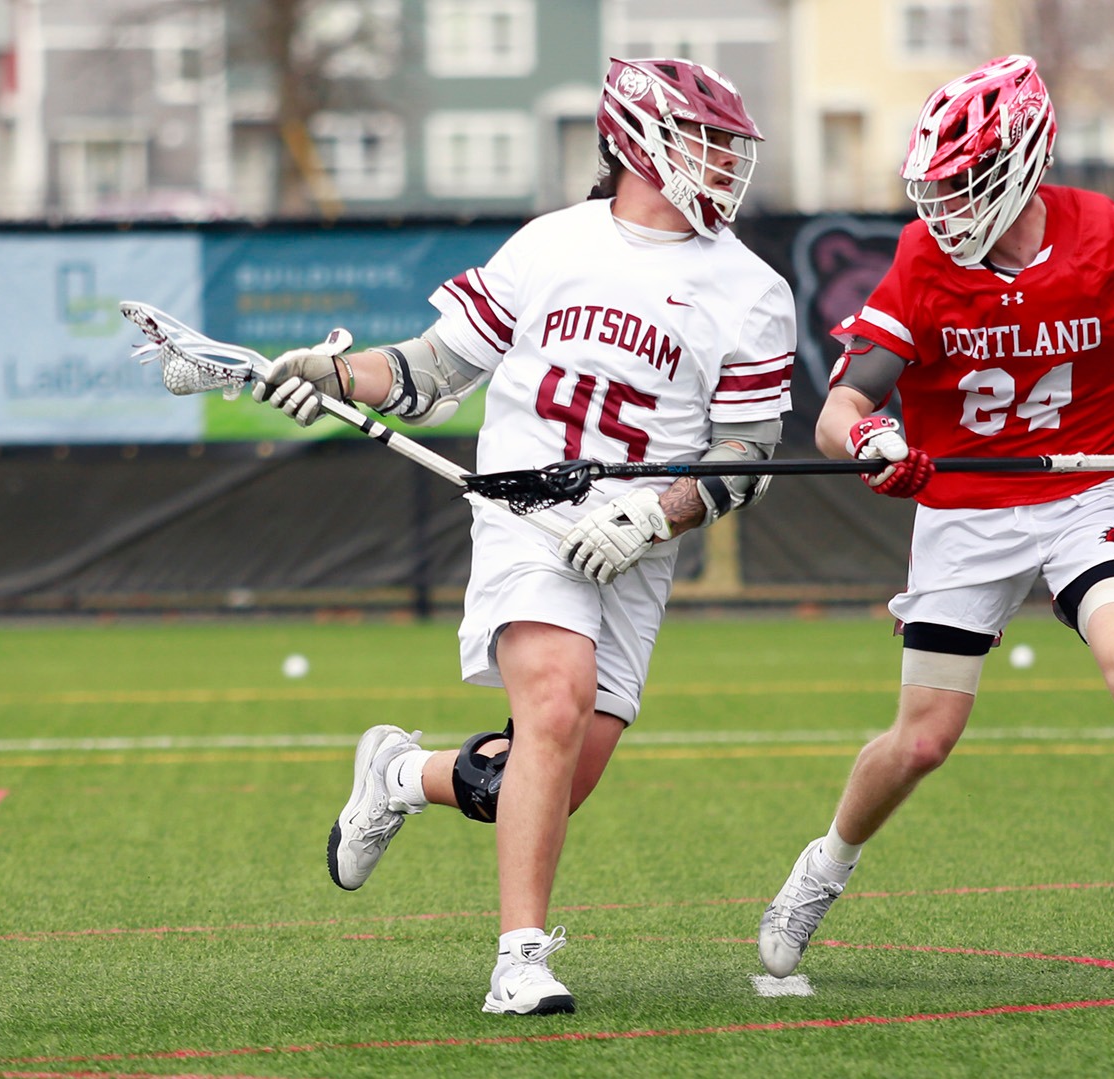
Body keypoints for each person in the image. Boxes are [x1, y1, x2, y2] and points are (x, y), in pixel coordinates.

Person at [251, 57, 795, 1015]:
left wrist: (655, 512)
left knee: (548, 782)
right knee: (553, 704)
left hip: (639, 547)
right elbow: (429, 372)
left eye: (726, 145)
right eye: (703, 140)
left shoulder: (752, 289)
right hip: (524, 517)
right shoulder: (552, 244)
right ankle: (520, 961)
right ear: (640, 144)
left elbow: (746, 453)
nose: (721, 162)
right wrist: (334, 379)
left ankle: (401, 774)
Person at [755, 55, 1114, 984]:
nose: (948, 208)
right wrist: (874, 441)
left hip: (1091, 492)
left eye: (966, 184)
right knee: (922, 739)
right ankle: (822, 867)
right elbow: (839, 412)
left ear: (1025, 164)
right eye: (939, 188)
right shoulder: (923, 262)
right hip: (966, 506)